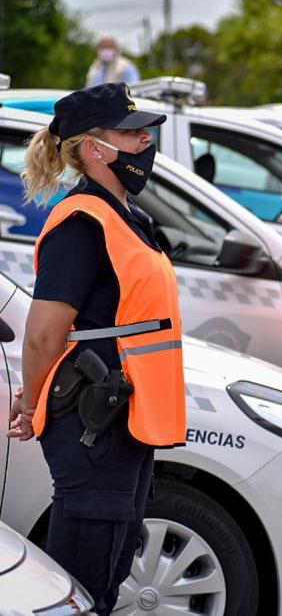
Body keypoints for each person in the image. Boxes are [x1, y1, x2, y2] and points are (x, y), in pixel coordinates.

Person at [7, 83, 185, 615]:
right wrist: (29, 400)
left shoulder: (124, 215)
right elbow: (43, 332)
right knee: (86, 578)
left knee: (110, 567)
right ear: (93, 148)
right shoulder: (81, 222)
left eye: (144, 132)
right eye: (130, 134)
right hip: (94, 419)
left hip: (126, 416)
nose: (144, 143)